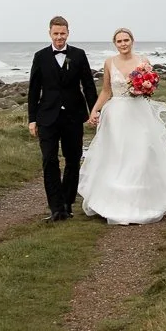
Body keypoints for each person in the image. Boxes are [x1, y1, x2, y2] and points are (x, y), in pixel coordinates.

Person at [77, 27, 166, 224]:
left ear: (132, 41)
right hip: (116, 115)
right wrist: (95, 110)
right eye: (119, 41)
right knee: (118, 155)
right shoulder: (109, 62)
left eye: (126, 40)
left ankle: (143, 203)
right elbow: (106, 91)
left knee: (141, 153)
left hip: (139, 112)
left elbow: (151, 89)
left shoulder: (143, 62)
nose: (123, 44)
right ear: (115, 44)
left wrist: (144, 88)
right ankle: (115, 203)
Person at [28, 16, 98, 222]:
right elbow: (33, 91)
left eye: (63, 33)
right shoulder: (40, 57)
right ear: (50, 33)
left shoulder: (78, 55)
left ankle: (67, 204)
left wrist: (94, 111)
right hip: (47, 116)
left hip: (73, 116)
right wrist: (32, 119)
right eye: (56, 33)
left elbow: (88, 85)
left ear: (68, 33)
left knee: (73, 160)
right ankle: (56, 208)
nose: (59, 37)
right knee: (49, 160)